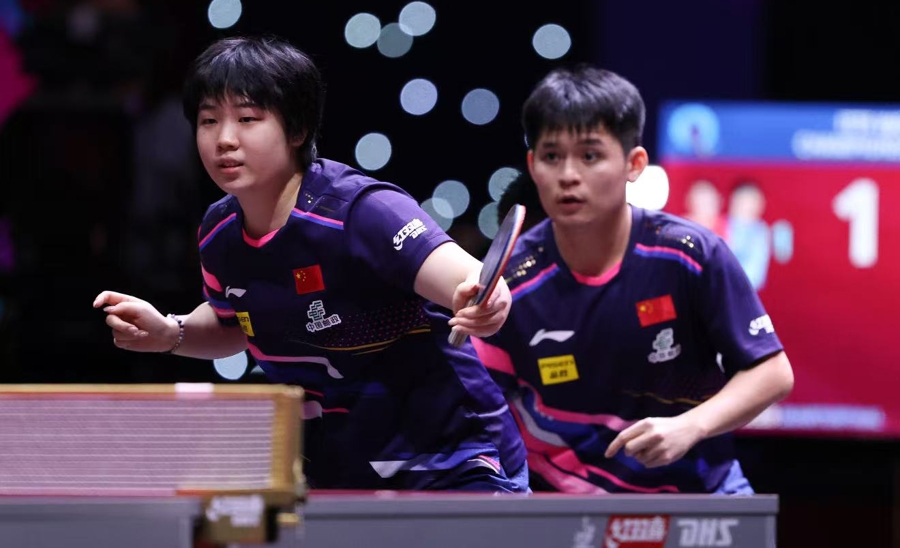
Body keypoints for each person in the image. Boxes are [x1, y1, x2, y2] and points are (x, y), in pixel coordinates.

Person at [93, 35, 528, 492]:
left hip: (455, 461)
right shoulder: (219, 234)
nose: (224, 139)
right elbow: (233, 323)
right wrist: (171, 333)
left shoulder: (360, 211)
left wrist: (486, 297)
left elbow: (467, 278)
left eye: (247, 118)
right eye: (209, 120)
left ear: (297, 129)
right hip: (345, 470)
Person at [472, 65, 793, 494]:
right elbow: (482, 407)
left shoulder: (691, 255)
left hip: (699, 494)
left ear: (634, 163)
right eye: (551, 157)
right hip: (562, 502)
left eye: (590, 156)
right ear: (532, 166)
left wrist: (691, 426)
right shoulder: (511, 280)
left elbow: (772, 372)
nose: (568, 175)